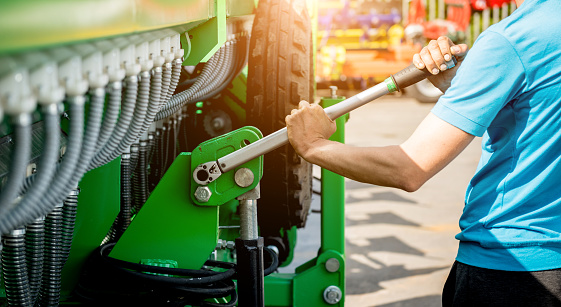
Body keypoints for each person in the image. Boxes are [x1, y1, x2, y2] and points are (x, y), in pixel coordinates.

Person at [285, 0, 561, 305]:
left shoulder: (512, 40)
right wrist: (459, 86)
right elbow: (536, 119)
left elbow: (408, 169)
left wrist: (314, 145)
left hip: (514, 266)